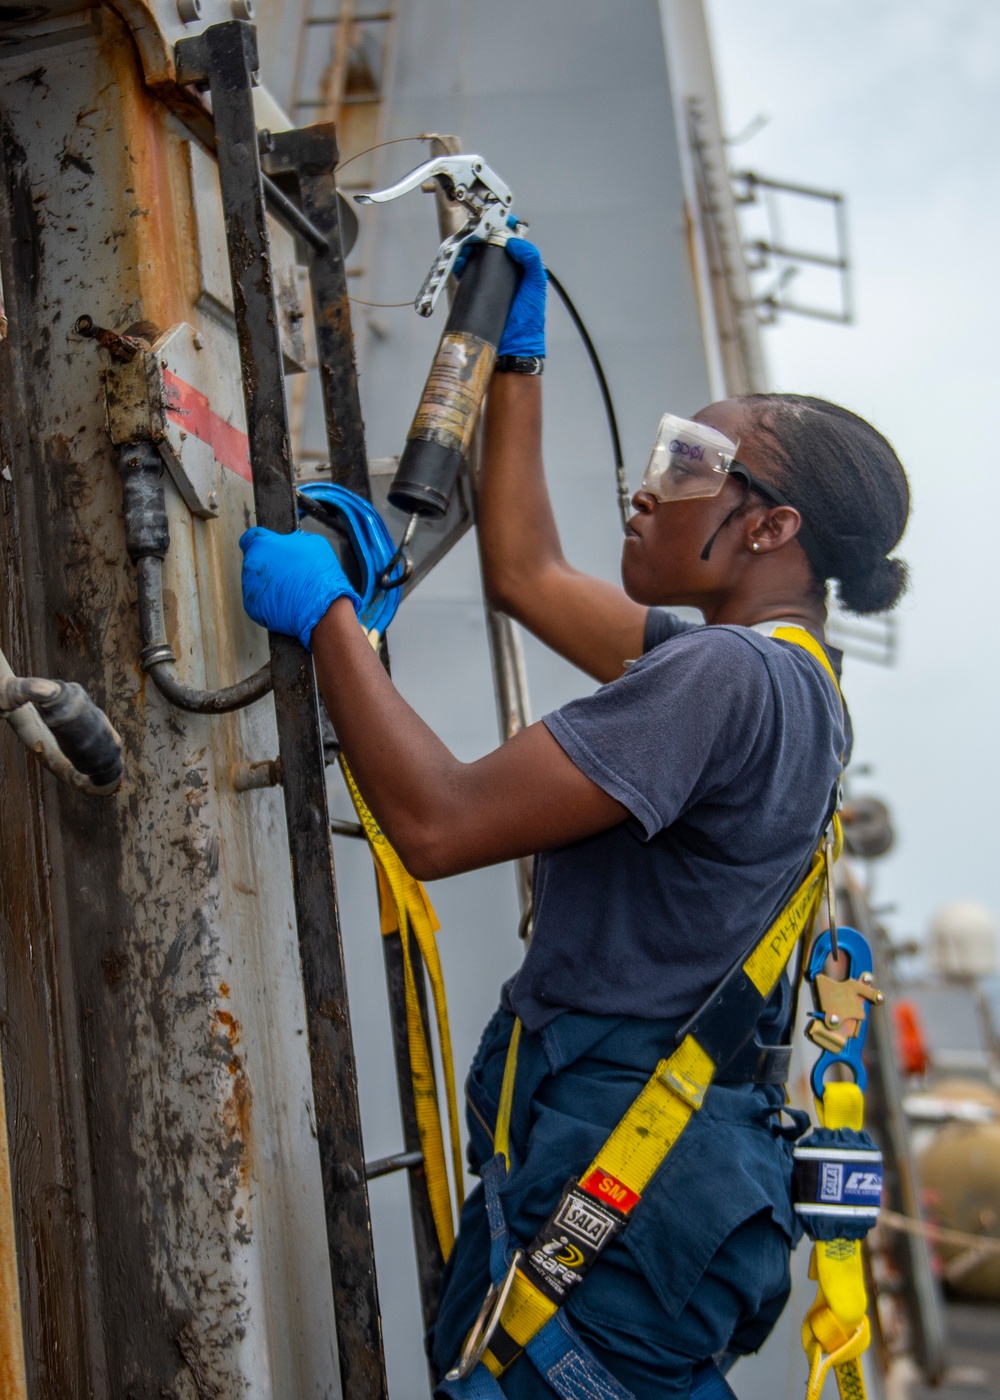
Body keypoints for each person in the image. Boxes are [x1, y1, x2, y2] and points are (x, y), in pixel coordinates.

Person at [239, 234, 910, 1398]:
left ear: (770, 526)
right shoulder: (790, 683)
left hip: (615, 1192)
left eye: (695, 463)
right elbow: (528, 572)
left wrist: (328, 618)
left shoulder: (725, 681)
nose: (650, 484)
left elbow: (439, 824)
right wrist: (516, 362)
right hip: (653, 1195)